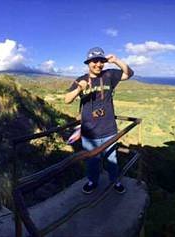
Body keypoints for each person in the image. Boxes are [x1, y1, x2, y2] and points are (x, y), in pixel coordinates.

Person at [64, 47, 134, 194]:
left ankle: (115, 181)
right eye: (94, 61)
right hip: (89, 132)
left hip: (109, 129)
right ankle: (92, 182)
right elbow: (67, 100)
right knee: (92, 162)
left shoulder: (109, 75)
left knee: (112, 160)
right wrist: (78, 90)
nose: (98, 64)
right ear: (88, 63)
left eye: (101, 61)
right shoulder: (80, 80)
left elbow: (129, 74)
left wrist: (116, 61)